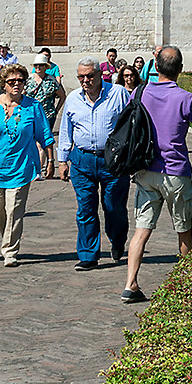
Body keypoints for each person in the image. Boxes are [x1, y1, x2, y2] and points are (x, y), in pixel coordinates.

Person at [120, 46, 192, 304]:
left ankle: (130, 284)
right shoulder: (186, 98)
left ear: (155, 67)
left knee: (141, 231)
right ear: (181, 69)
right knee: (184, 230)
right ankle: (188, 285)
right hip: (175, 172)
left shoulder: (140, 92)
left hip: (145, 170)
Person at [0, 62, 51, 266]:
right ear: (3, 83)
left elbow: (45, 136)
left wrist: (50, 160)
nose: (16, 84)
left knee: (15, 211)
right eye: (12, 81)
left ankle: (9, 251)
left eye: (20, 81)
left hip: (22, 167)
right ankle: (8, 236)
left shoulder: (33, 107)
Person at [54, 58, 132, 270]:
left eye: (90, 76)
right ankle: (88, 255)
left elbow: (131, 124)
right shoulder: (73, 98)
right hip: (82, 160)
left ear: (99, 75)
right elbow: (66, 129)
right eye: (81, 77)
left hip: (112, 161)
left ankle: (117, 240)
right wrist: (62, 160)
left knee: (113, 207)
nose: (85, 80)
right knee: (86, 209)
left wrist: (130, 157)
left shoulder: (118, 94)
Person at [32, 48, 66, 178]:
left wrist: (56, 111)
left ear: (45, 67)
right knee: (32, 142)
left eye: (40, 65)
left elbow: (62, 96)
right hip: (32, 116)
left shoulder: (51, 81)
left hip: (47, 116)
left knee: (41, 143)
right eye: (36, 65)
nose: (38, 68)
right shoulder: (29, 80)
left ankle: (38, 170)